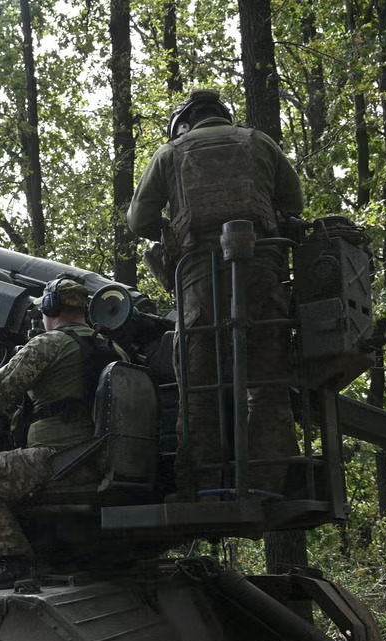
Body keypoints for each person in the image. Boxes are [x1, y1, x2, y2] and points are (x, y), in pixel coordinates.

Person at [127, 88, 304, 496]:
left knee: (198, 383)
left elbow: (139, 221)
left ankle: (204, 484)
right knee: (267, 380)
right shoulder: (259, 142)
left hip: (198, 278)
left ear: (184, 123)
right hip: (261, 272)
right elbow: (293, 202)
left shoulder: (170, 151)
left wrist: (173, 228)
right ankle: (269, 482)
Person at [0, 278, 124, 589]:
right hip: (103, 460)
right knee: (11, 481)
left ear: (50, 307)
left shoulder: (48, 344)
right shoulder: (114, 349)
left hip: (61, 462)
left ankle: (16, 561)